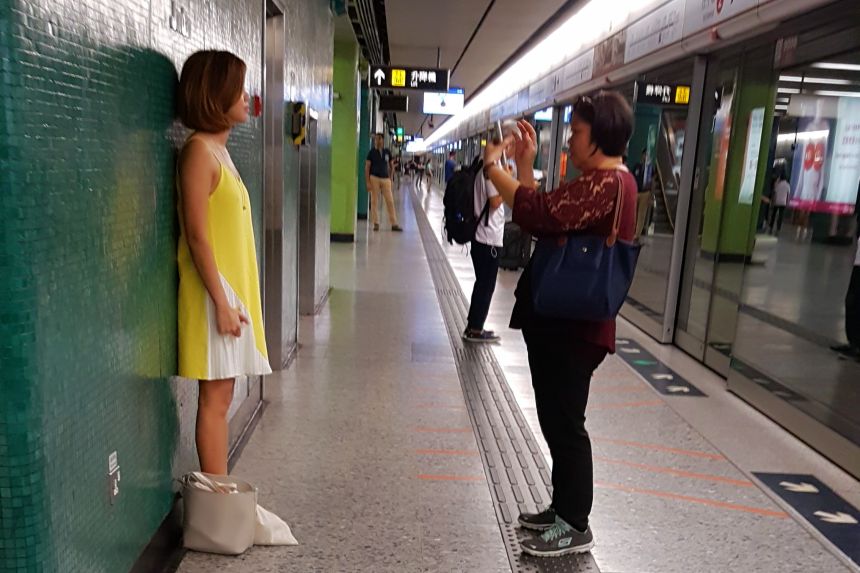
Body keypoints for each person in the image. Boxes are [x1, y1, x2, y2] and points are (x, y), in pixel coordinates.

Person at [483, 91, 636, 558]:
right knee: (554, 417)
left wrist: (495, 169)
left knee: (566, 424)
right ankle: (562, 507)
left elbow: (537, 211)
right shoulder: (596, 181)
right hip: (563, 321)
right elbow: (546, 216)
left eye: (578, 131)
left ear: (602, 135)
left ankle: (575, 523)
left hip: (575, 325)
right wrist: (525, 167)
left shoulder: (609, 184)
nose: (570, 138)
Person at [176, 50, 272, 475]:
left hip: (229, 293)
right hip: (215, 293)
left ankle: (221, 496)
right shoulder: (198, 152)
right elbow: (197, 235)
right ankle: (217, 503)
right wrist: (220, 301)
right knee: (214, 402)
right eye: (239, 87)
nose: (247, 96)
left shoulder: (218, 150)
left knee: (222, 397)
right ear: (217, 94)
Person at [463, 145, 512, 343]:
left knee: (482, 284)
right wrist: (508, 184)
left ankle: (474, 325)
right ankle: (475, 329)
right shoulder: (491, 171)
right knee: (486, 285)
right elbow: (495, 202)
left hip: (483, 237)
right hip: (488, 238)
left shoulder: (486, 168)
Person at [365, 133, 402, 232]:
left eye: (379, 139)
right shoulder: (371, 152)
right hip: (374, 178)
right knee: (374, 201)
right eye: (376, 139)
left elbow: (391, 165)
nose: (377, 141)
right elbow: (367, 167)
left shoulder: (387, 152)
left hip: (386, 179)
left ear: (382, 140)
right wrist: (368, 181)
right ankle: (376, 223)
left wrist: (391, 177)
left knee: (389, 201)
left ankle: (394, 224)